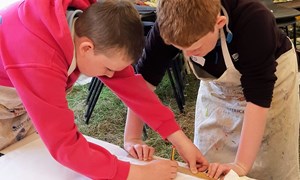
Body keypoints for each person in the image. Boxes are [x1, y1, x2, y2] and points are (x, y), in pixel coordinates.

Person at [0, 0, 209, 179]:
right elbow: (65, 146)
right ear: (86, 48)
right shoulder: (41, 60)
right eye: (108, 69)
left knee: (25, 155)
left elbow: (130, 86)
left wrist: (180, 141)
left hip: (18, 99)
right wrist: (138, 174)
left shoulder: (94, 26)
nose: (110, 76)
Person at [125, 0, 300, 179]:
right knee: (209, 165)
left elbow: (258, 98)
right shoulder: (169, 22)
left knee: (269, 164)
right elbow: (143, 83)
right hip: (220, 88)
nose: (187, 55)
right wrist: (132, 138)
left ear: (219, 23)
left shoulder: (254, 19)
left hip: (271, 84)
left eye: (195, 48)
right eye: (180, 49)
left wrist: (240, 165)